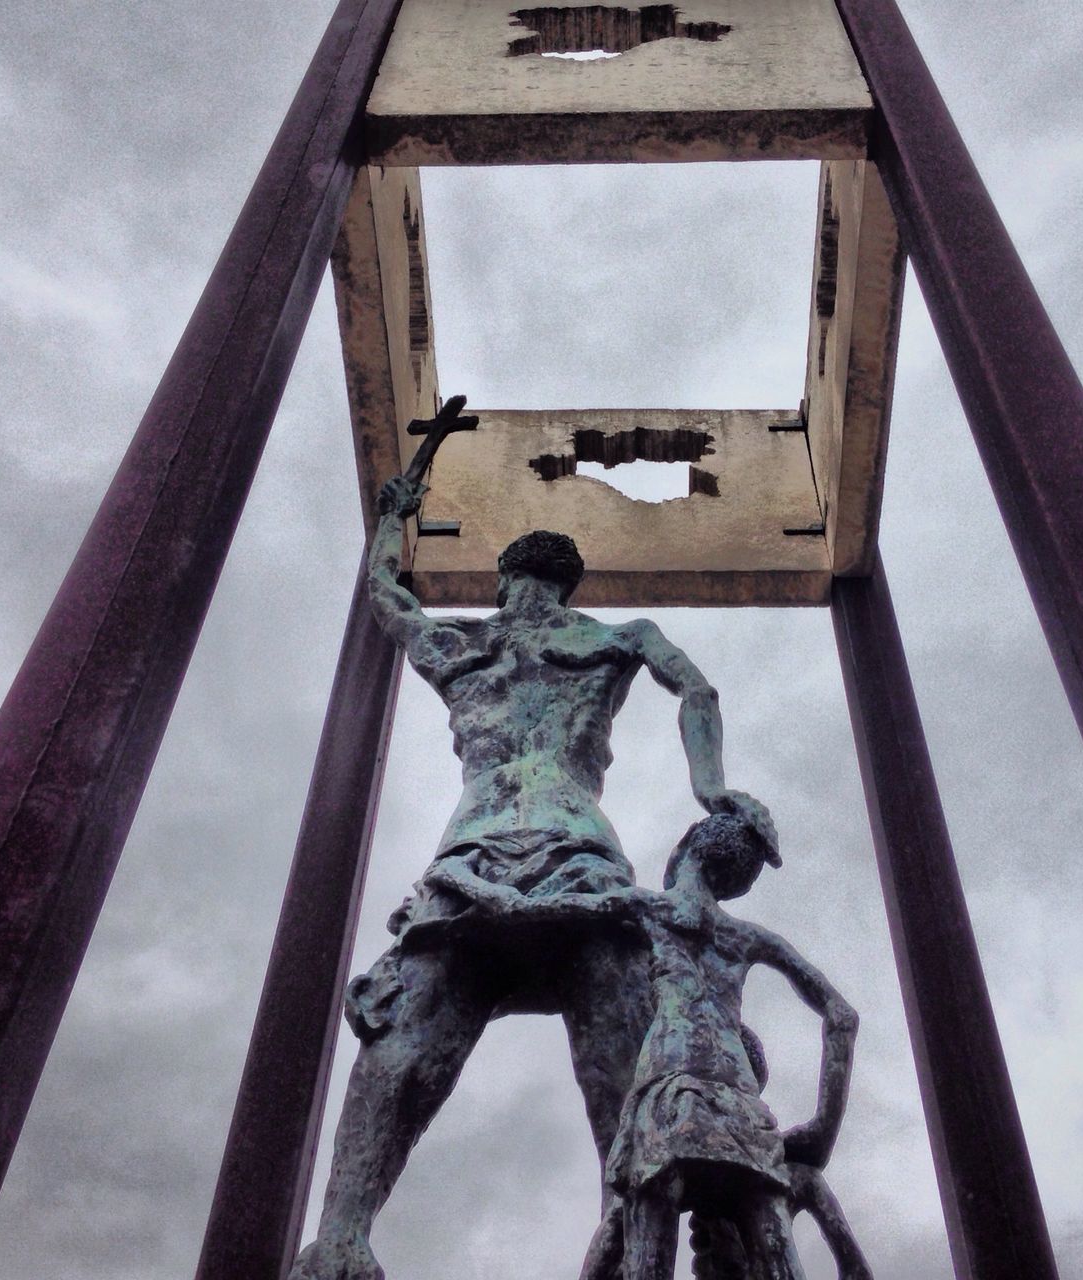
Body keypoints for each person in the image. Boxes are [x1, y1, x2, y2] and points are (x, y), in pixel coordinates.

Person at [289, 449, 775, 1280]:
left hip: (472, 856)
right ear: (566, 584)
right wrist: (712, 789)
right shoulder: (620, 638)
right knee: (621, 1080)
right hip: (578, 853)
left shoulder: (466, 647)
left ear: (508, 578)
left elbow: (387, 600)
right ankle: (629, 1238)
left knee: (403, 1051)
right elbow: (698, 691)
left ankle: (341, 1235)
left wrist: (390, 521)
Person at [408, 813, 864, 1280]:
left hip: (668, 1100)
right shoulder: (750, 939)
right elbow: (841, 1016)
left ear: (687, 846)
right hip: (743, 1112)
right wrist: (821, 1130)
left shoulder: (648, 909)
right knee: (776, 1259)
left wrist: (457, 879)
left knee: (640, 1251)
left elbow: (517, 912)